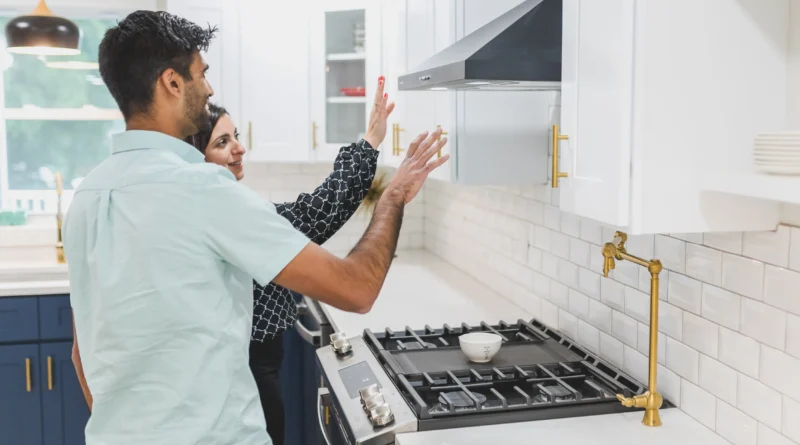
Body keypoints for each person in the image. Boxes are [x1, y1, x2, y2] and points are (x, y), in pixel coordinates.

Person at [64, 10, 448, 445]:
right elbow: (357, 289)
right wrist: (393, 196)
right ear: (172, 83)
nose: (208, 89)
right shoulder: (203, 190)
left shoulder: (86, 197)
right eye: (201, 74)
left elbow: (82, 354)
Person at [186, 102, 381, 445]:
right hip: (248, 368)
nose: (239, 148)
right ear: (196, 158)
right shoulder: (228, 214)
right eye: (222, 142)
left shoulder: (212, 207)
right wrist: (370, 143)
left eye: (236, 137)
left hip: (247, 366)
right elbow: (319, 211)